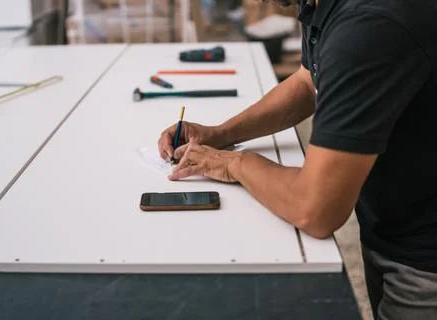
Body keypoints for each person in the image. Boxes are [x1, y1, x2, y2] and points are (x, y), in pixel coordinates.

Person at [158, 0, 437, 318]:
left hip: (425, 260)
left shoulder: (370, 28)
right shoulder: (320, 5)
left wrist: (235, 163)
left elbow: (315, 209)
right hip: (393, 224)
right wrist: (219, 134)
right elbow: (308, 83)